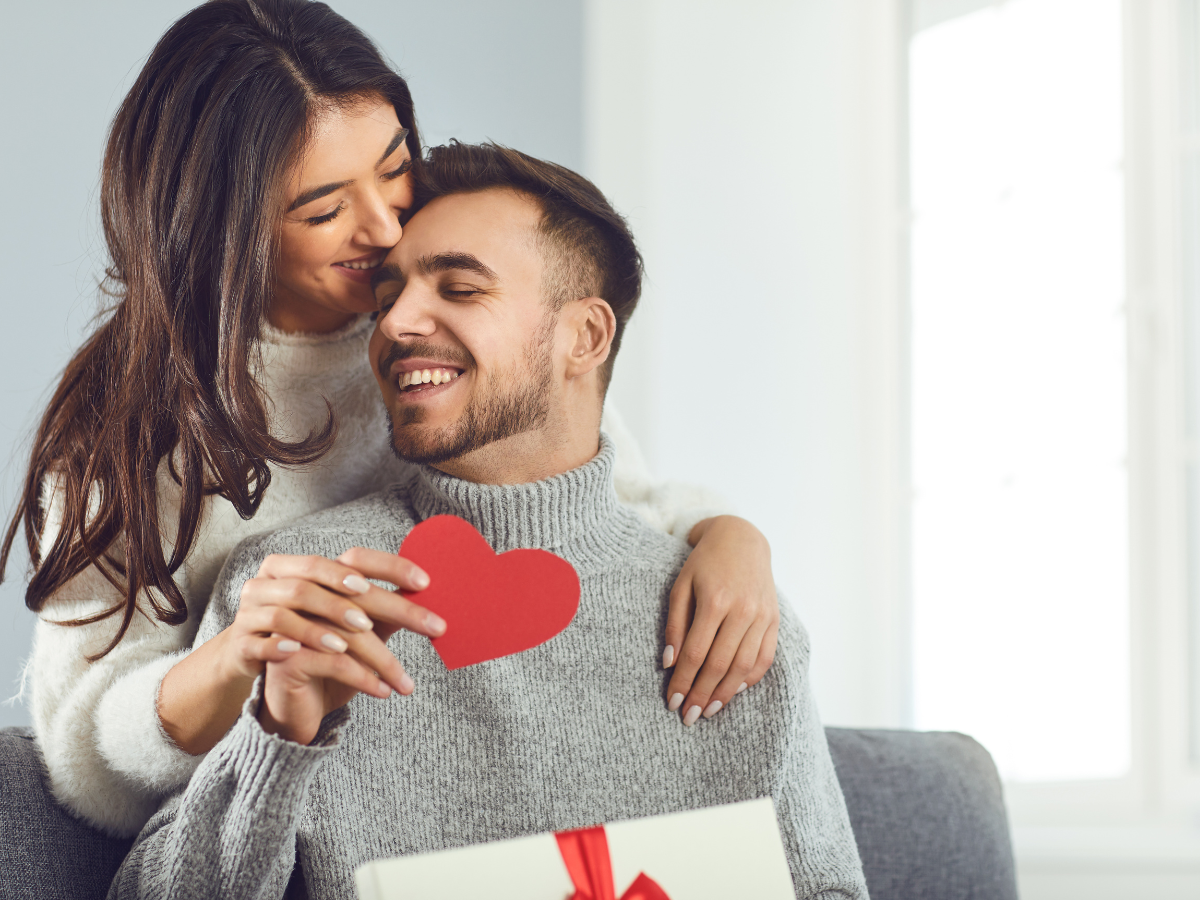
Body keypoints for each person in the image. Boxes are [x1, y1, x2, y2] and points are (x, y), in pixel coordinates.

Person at [4, 0, 779, 839]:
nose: (384, 227)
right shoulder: (129, 433)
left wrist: (729, 534)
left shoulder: (459, 339)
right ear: (224, 226)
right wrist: (235, 661)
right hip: (281, 817)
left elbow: (604, 502)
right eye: (323, 208)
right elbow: (82, 756)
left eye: (393, 165)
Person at [109, 142, 867, 900]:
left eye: (461, 288)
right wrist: (279, 735)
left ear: (586, 338)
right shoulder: (301, 592)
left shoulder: (733, 616)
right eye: (388, 296)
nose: (396, 322)